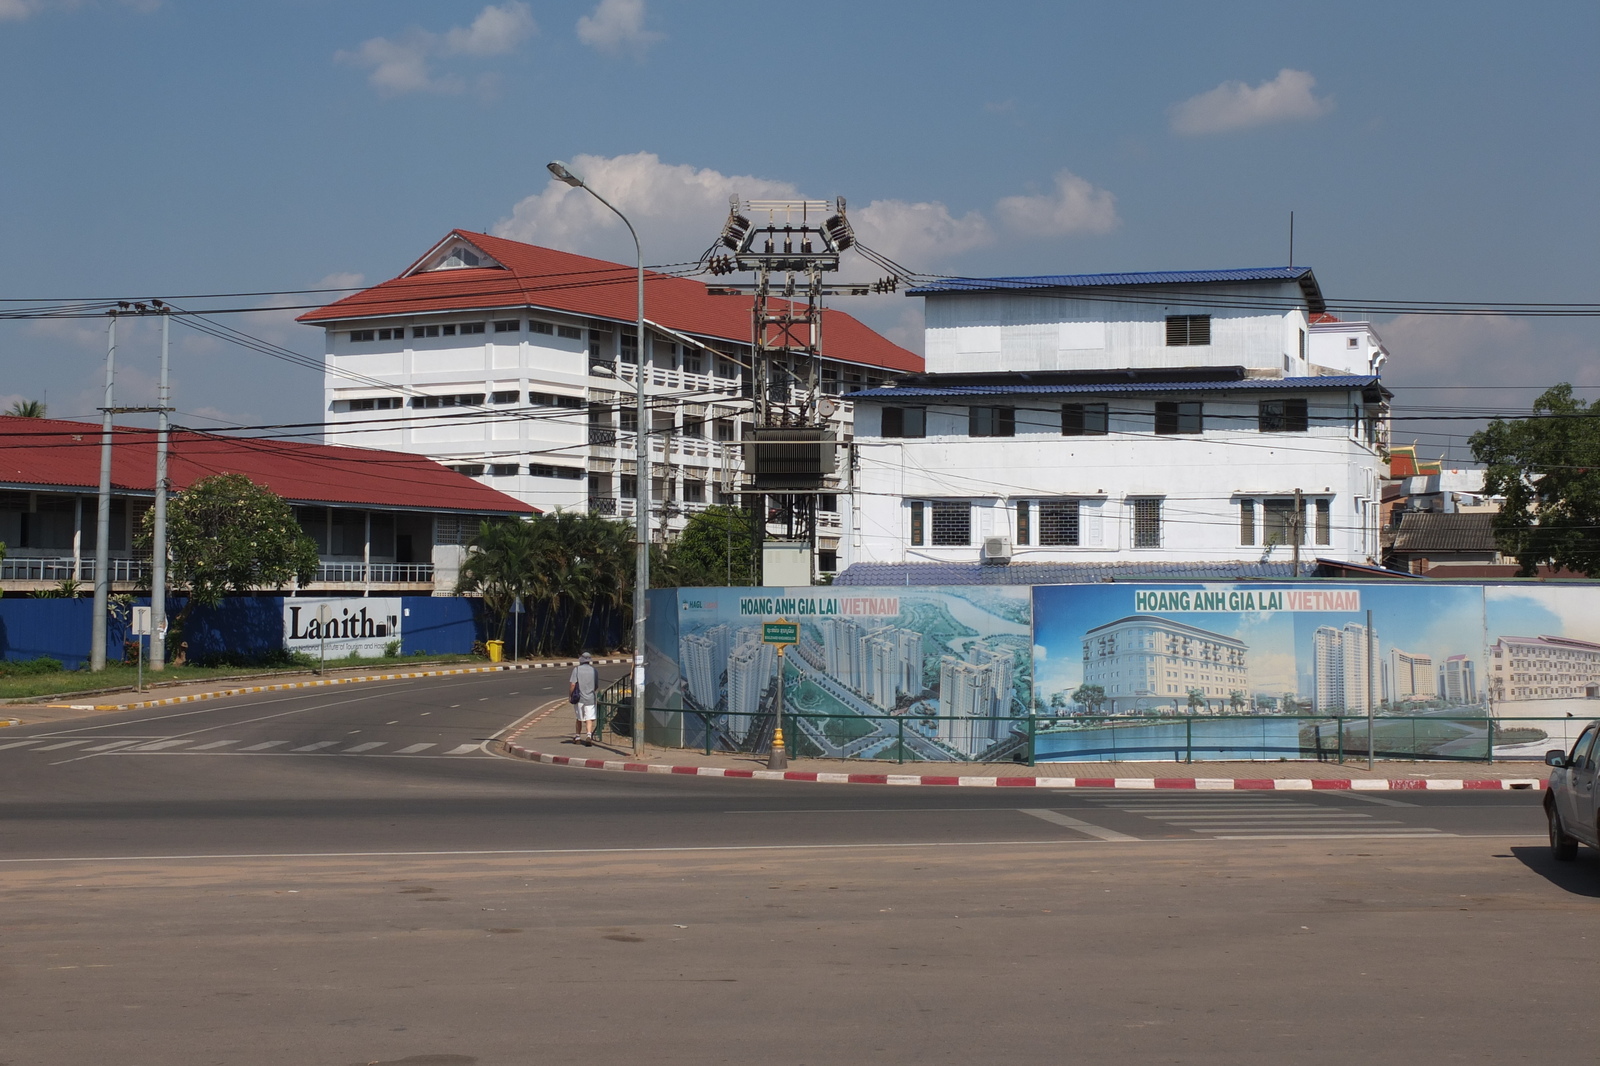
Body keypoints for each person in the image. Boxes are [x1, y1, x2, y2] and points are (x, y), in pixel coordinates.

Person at [569, 651, 599, 744]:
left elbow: (573, 684)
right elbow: (596, 686)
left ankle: (577, 737)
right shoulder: (594, 671)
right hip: (590, 698)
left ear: (581, 660)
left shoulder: (576, 670)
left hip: (579, 699)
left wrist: (570, 695)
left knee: (579, 718)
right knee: (589, 718)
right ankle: (589, 735)